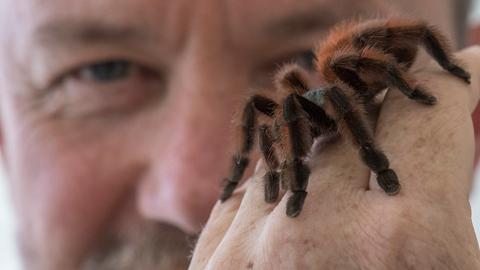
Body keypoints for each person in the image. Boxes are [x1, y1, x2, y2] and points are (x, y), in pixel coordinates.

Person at [0, 0, 477, 269]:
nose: (196, 198)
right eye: (104, 71)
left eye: (303, 54)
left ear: (472, 119)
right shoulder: (286, 108)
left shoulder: (352, 73)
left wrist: (405, 100)